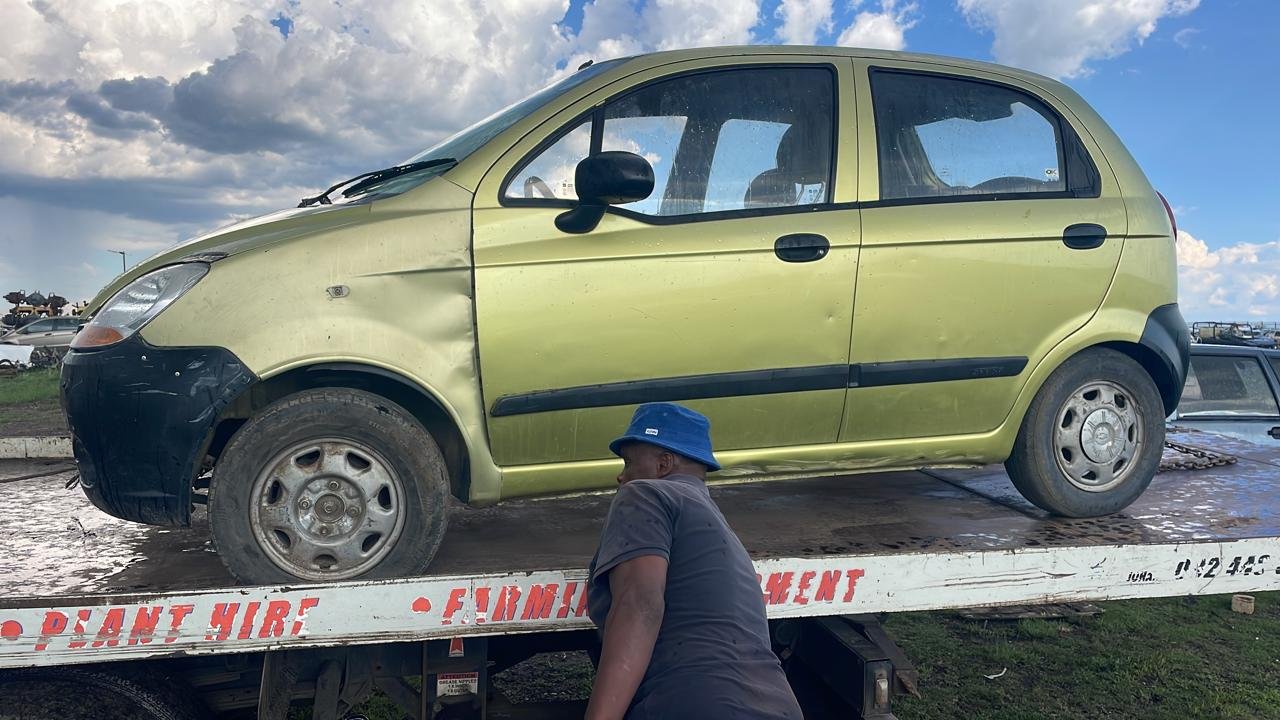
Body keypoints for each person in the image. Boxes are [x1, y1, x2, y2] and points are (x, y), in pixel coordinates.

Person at [584, 402, 802, 720]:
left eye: (629, 463)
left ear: (664, 464)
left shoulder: (646, 495)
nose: (622, 476)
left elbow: (640, 604)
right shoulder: (720, 531)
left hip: (695, 703)